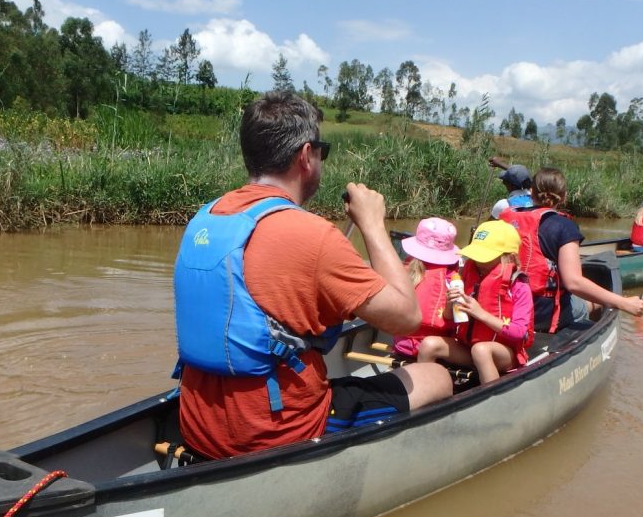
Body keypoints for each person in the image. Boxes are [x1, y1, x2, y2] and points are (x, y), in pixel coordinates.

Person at [172, 91, 453, 460]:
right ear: (306, 156)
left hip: (196, 426)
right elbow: (406, 317)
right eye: (322, 152)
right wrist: (372, 224)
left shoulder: (205, 219)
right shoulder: (314, 236)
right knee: (438, 377)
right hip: (276, 434)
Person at [499, 167, 643, 332]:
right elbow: (573, 282)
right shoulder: (564, 226)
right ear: (564, 197)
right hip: (540, 313)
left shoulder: (506, 218)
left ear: (532, 192)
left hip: (503, 304)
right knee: (595, 303)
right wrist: (623, 303)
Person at [416, 221, 534, 386]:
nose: (478, 262)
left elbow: (519, 332)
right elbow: (450, 322)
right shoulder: (467, 275)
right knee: (429, 344)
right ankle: (425, 390)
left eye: (486, 257)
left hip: (503, 354)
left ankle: (492, 396)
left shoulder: (519, 286)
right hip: (468, 348)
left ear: (510, 257)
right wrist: (449, 307)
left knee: (481, 350)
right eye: (476, 255)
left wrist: (481, 314)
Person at [390, 217, 462, 358]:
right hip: (433, 349)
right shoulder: (452, 278)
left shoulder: (403, 271)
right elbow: (457, 319)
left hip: (402, 345)